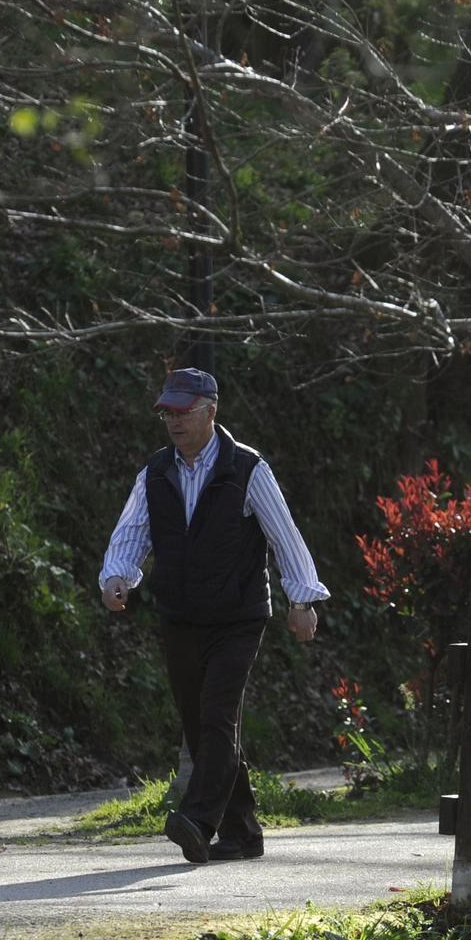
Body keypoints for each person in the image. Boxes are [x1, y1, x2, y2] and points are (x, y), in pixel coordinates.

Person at [99, 367, 328, 864]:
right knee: (197, 719)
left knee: (218, 716)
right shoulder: (155, 472)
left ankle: (197, 819)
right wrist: (117, 577)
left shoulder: (247, 468)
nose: (174, 421)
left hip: (237, 617)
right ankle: (243, 832)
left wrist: (302, 600)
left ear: (211, 411)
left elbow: (284, 535)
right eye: (167, 412)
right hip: (179, 614)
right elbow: (132, 533)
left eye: (183, 411)